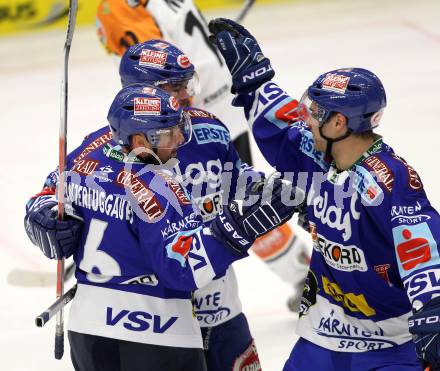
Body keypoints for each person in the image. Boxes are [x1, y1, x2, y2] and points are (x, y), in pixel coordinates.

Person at [208, 18, 440, 371]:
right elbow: (280, 124)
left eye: (316, 111)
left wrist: (434, 311)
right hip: (323, 333)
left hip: (390, 344)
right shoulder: (318, 155)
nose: (307, 117)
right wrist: (255, 81)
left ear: (340, 124)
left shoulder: (389, 182)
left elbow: (422, 252)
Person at [24, 84, 299, 371]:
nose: (180, 138)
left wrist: (38, 215)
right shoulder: (159, 184)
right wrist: (237, 229)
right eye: (169, 132)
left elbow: (46, 200)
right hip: (157, 332)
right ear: (141, 139)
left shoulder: (85, 161)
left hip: (88, 331)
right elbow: (181, 269)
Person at [96, 0, 311, 312]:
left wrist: (168, 119)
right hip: (217, 106)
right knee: (232, 196)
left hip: (188, 119)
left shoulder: (116, 7)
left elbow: (152, 79)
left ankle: (298, 272)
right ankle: (298, 270)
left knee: (222, 200)